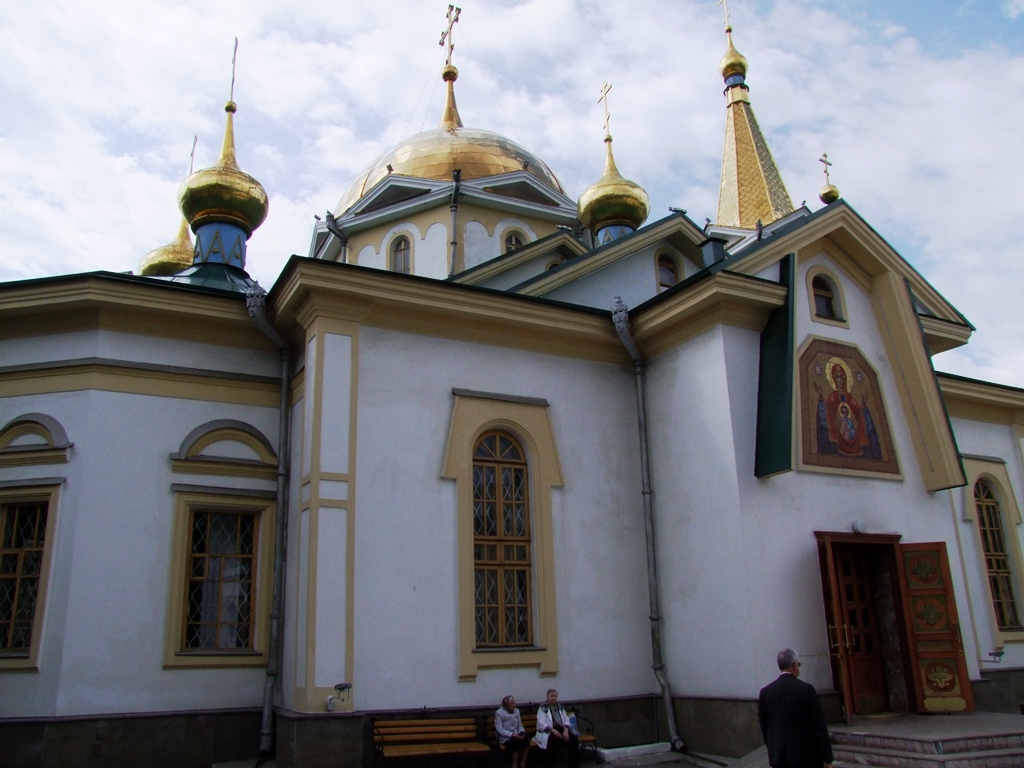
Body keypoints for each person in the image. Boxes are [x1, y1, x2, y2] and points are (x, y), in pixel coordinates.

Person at [758, 649, 834, 768]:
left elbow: (765, 727)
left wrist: (773, 749)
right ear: (794, 665)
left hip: (778, 756)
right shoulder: (806, 690)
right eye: (798, 664)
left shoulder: (765, 693)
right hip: (806, 756)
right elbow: (819, 726)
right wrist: (827, 757)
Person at [535, 688, 578, 767]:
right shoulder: (543, 707)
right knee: (554, 740)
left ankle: (573, 765)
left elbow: (566, 719)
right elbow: (541, 723)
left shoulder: (560, 706)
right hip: (547, 731)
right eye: (551, 696)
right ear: (547, 697)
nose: (553, 698)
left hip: (560, 729)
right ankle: (552, 765)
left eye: (555, 696)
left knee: (574, 740)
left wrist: (565, 730)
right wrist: (553, 730)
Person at [495, 695, 529, 768]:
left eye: (514, 703)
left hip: (516, 734)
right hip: (506, 737)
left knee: (526, 740)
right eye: (511, 704)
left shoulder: (517, 711)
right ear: (506, 704)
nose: (514, 705)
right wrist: (512, 735)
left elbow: (520, 725)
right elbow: (500, 729)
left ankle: (522, 762)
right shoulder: (499, 713)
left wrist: (522, 732)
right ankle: (514, 764)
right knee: (514, 742)